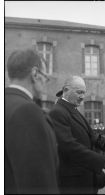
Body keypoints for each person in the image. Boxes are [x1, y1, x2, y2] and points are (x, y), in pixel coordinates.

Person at [49, 75, 105, 194]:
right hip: (72, 183)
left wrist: (100, 140)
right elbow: (68, 147)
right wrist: (103, 161)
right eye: (79, 92)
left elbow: (88, 134)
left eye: (84, 93)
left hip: (85, 177)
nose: (82, 97)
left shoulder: (73, 110)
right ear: (66, 90)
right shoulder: (58, 112)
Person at [5, 49, 59, 194]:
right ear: (35, 74)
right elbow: (38, 183)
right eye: (45, 77)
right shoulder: (27, 112)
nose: (45, 83)